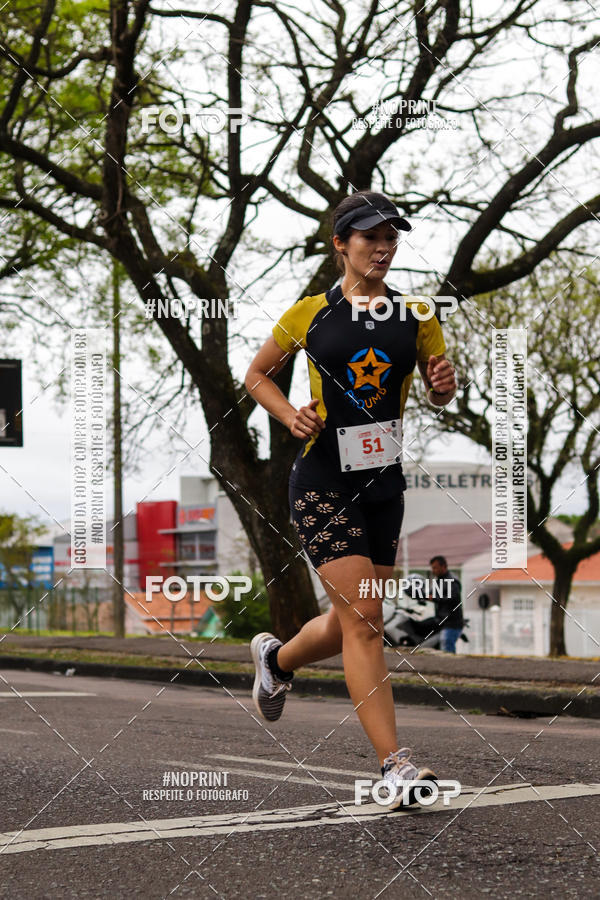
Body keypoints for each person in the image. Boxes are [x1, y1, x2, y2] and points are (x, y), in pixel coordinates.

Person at [244, 190, 457, 807]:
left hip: (383, 485)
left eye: (392, 236)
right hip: (323, 482)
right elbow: (257, 374)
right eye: (370, 236)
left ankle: (278, 661)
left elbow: (439, 388)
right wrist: (289, 415)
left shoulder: (417, 314)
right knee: (366, 622)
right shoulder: (309, 314)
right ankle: (395, 766)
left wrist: (446, 382)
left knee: (350, 620)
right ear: (341, 244)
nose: (384, 246)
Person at [429, 555, 464, 653]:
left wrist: (434, 598)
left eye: (435, 567)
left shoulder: (452, 581)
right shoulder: (439, 581)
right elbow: (431, 594)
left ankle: (450, 667)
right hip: (441, 622)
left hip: (452, 623)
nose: (433, 570)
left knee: (447, 647)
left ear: (443, 566)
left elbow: (453, 598)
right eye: (432, 568)